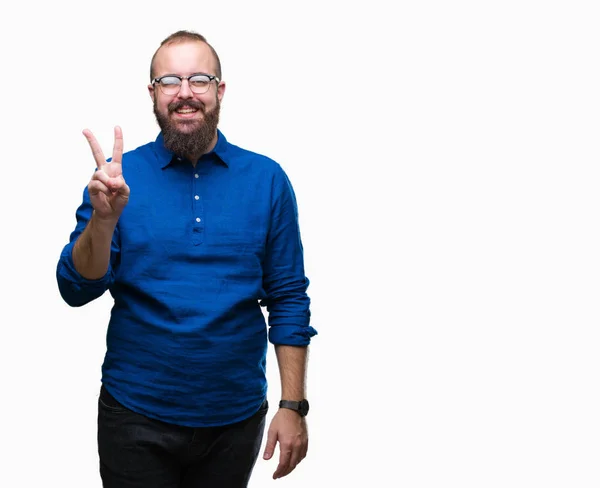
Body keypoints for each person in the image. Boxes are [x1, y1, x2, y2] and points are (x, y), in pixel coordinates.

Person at [56, 30, 317, 488]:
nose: (184, 93)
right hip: (134, 414)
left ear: (220, 90)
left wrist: (292, 405)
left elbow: (290, 297)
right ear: (153, 94)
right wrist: (103, 220)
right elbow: (76, 289)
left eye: (199, 79)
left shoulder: (267, 179)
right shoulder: (118, 180)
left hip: (234, 419)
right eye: (169, 81)